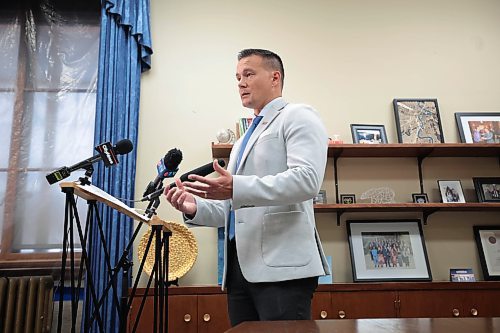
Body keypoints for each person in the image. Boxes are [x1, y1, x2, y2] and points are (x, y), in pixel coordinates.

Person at [164, 48, 330, 326]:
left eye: (249, 74)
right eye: (238, 76)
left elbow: (307, 180)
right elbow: (234, 210)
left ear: (275, 77)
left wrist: (236, 187)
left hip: (282, 271)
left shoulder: (298, 115)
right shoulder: (241, 141)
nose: (240, 82)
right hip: (239, 271)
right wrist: (194, 208)